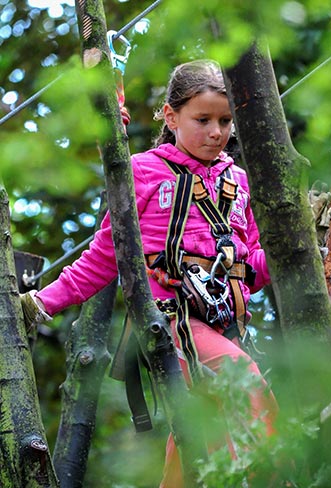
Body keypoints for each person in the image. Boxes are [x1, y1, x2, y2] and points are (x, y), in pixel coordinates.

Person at [21, 59, 278, 487]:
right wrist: (41, 302)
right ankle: (275, 477)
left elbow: (250, 268)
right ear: (171, 116)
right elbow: (105, 256)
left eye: (226, 120)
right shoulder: (142, 172)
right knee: (244, 383)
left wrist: (292, 250)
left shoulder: (238, 182)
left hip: (228, 324)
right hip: (174, 323)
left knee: (196, 442)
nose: (217, 132)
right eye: (203, 120)